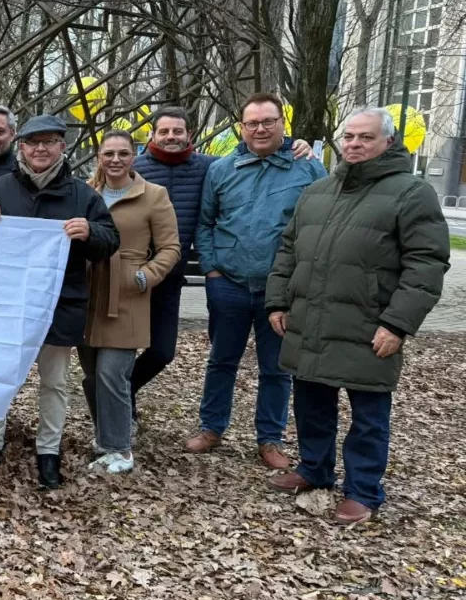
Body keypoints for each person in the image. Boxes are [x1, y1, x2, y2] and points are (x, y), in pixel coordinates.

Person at [264, 108, 449, 523]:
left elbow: (427, 264)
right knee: (311, 404)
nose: (354, 144)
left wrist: (398, 323)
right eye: (348, 136)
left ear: (388, 141)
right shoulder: (319, 190)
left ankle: (364, 490)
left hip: (369, 325)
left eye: (365, 137)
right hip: (311, 319)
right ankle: (315, 469)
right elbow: (289, 249)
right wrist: (277, 301)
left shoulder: (411, 193)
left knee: (368, 415)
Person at [131, 107, 315, 417]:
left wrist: (295, 144)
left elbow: (255, 157)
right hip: (131, 275)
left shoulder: (210, 167)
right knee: (123, 350)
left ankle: (120, 389)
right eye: (164, 131)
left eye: (178, 131)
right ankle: (118, 403)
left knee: (162, 352)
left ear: (190, 135)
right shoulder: (134, 168)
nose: (171, 137)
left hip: (170, 277)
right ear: (152, 134)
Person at [0, 115, 119, 488]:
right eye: (33, 142)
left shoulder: (83, 195)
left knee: (54, 382)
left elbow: (110, 240)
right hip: (4, 305)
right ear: (20, 146)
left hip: (59, 303)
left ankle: (48, 451)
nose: (40, 148)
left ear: (62, 146)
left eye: (49, 141)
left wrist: (90, 232)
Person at [187, 92, 326, 469]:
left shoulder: (308, 169)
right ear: (241, 128)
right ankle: (212, 427)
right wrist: (212, 271)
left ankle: (270, 439)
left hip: (280, 290)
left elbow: (324, 224)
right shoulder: (222, 169)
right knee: (221, 360)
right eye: (253, 123)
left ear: (283, 123)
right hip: (228, 284)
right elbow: (205, 223)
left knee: (276, 368)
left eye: (269, 121)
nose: (260, 129)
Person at [78, 131, 179, 474]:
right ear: (99, 156)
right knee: (92, 375)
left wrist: (145, 277)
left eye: (123, 153)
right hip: (88, 290)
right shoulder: (86, 192)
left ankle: (120, 449)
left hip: (126, 293)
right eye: (109, 153)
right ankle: (104, 436)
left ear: (134, 156)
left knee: (112, 373)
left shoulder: (153, 195)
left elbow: (170, 248)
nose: (116, 159)